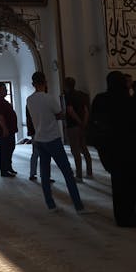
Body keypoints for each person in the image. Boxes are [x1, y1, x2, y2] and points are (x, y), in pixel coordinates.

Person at [26, 71, 90, 213]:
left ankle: (50, 205)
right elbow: (59, 115)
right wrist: (66, 113)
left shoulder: (29, 100)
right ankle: (78, 206)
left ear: (33, 84)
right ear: (45, 82)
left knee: (44, 173)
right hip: (52, 139)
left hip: (39, 139)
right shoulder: (49, 98)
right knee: (67, 173)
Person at [90, 71, 136, 227]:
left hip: (111, 150)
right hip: (127, 149)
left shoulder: (101, 99)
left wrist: (100, 146)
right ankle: (127, 216)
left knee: (120, 184)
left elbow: (94, 124)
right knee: (129, 183)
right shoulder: (127, 101)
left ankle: (126, 215)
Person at [63, 77, 93, 182]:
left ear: (66, 85)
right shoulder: (81, 95)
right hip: (82, 126)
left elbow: (70, 111)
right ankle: (89, 172)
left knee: (75, 150)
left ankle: (79, 175)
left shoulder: (68, 96)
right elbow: (86, 110)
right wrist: (84, 122)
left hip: (73, 126)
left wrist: (78, 122)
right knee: (84, 148)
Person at [0, 82, 18, 177]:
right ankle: (4, 171)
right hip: (3, 131)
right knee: (4, 150)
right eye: (4, 89)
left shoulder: (3, 101)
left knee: (10, 148)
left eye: (6, 89)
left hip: (10, 130)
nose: (6, 91)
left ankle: (8, 167)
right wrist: (5, 129)